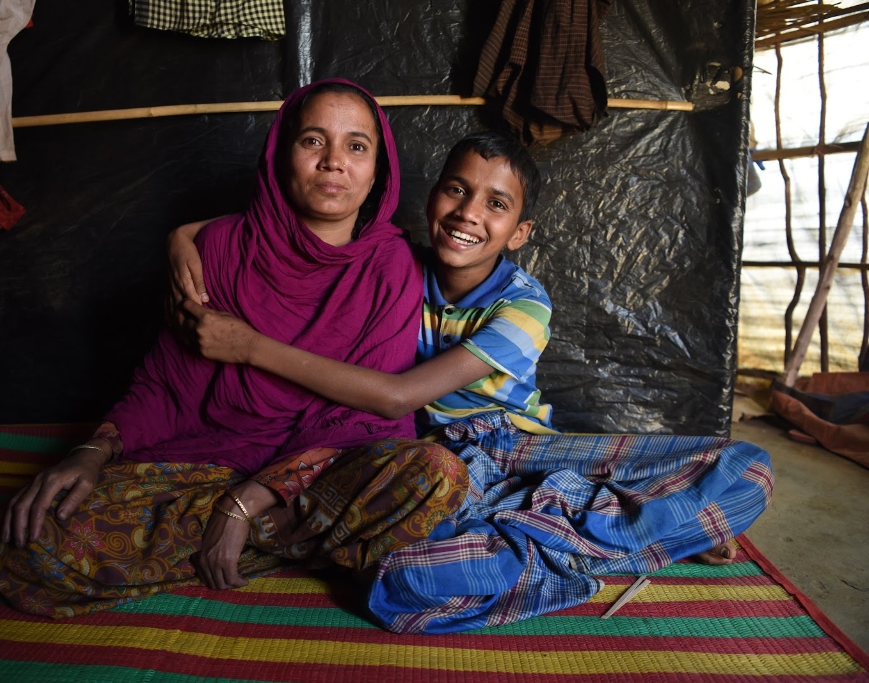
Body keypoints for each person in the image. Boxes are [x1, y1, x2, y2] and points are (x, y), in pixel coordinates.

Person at [172, 131, 775, 633]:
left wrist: (249, 347)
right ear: (431, 199)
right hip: (430, 463)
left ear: (519, 232)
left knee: (750, 468)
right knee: (402, 581)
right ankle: (622, 536)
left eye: (495, 203)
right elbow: (288, 228)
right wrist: (183, 235)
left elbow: (399, 394)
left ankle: (554, 533)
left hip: (524, 449)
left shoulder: (524, 307)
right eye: (457, 190)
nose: (468, 213)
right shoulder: (391, 265)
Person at [0, 79, 469, 619]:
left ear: (378, 171)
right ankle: (297, 546)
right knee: (34, 540)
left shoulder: (391, 266)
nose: (334, 162)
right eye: (313, 140)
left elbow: (364, 419)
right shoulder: (218, 248)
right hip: (212, 463)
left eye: (356, 146)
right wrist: (92, 452)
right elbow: (167, 385)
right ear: (279, 153)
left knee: (437, 474)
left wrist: (251, 498)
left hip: (321, 472)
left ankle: (239, 528)